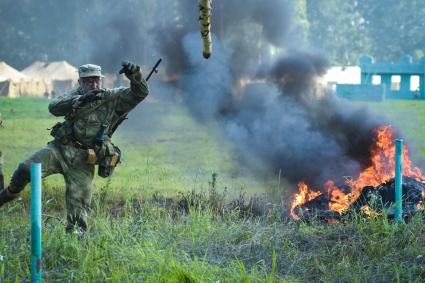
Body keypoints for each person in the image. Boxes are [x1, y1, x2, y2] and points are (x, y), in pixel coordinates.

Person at [0, 61, 149, 234]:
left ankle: (74, 246)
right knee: (26, 169)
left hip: (83, 159)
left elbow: (140, 93)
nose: (93, 84)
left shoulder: (112, 98)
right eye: (88, 81)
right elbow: (54, 107)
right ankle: (8, 194)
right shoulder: (75, 95)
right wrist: (79, 101)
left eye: (96, 80)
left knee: (78, 211)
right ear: (80, 82)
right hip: (60, 149)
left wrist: (135, 76)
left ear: (100, 81)